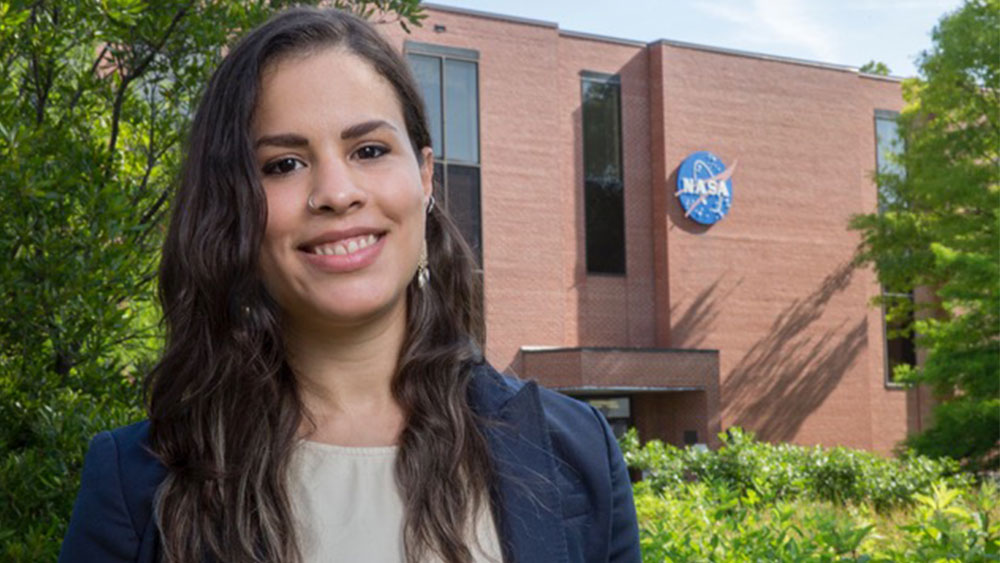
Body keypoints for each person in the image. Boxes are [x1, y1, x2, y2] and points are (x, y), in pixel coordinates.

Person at [58, 7, 640, 563]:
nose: (336, 192)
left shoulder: (574, 454)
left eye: (369, 150)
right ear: (233, 206)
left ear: (426, 177)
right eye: (283, 164)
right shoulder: (137, 482)